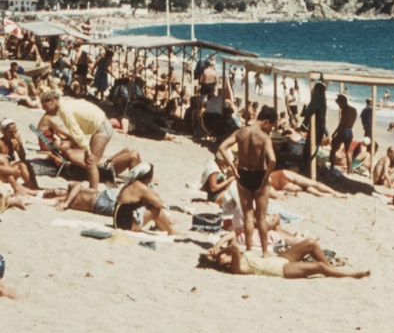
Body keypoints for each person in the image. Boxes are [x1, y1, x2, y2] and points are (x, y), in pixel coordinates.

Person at [217, 106, 278, 257]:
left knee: (248, 215)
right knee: (261, 217)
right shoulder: (264, 138)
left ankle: (249, 249)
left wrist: (232, 166)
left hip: (243, 174)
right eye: (271, 126)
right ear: (266, 121)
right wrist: (266, 177)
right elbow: (273, 160)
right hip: (259, 174)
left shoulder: (240, 132)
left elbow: (222, 147)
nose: (270, 130)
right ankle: (264, 252)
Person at [198, 231, 370, 279]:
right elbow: (234, 247)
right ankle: (351, 275)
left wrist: (217, 245)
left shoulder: (238, 258)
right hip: (282, 270)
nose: (222, 255)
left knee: (311, 243)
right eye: (220, 257)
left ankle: (332, 269)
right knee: (319, 267)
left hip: (280, 260)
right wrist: (219, 251)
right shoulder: (236, 267)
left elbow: (232, 236)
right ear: (221, 263)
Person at [38, 89, 114, 189]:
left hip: (102, 128)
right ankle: (93, 189)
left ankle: (93, 191)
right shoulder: (66, 104)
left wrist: (86, 149)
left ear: (52, 101)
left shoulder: (64, 110)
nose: (45, 111)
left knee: (91, 162)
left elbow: (75, 131)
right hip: (102, 125)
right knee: (91, 162)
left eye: (46, 107)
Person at [113, 164, 177, 236]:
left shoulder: (132, 184)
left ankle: (165, 229)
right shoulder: (140, 187)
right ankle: (171, 232)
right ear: (149, 177)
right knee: (156, 209)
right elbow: (159, 203)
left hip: (118, 223)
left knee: (150, 206)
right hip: (126, 226)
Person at [299, 82, 327, 174]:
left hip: (317, 126)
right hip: (321, 126)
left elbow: (310, 110)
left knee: (308, 147)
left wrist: (304, 122)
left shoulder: (316, 100)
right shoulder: (323, 101)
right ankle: (308, 166)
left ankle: (306, 167)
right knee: (314, 146)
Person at [270, 168, 345, 197]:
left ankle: (325, 194)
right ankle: (335, 193)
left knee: (304, 188)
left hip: (279, 184)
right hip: (282, 174)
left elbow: (274, 194)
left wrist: (282, 195)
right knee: (313, 184)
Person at [328, 93, 357, 165]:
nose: (339, 106)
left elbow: (342, 124)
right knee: (348, 152)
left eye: (339, 104)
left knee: (333, 149)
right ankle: (349, 170)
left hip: (344, 131)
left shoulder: (345, 110)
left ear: (342, 102)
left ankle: (331, 167)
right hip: (350, 132)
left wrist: (335, 133)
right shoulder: (354, 110)